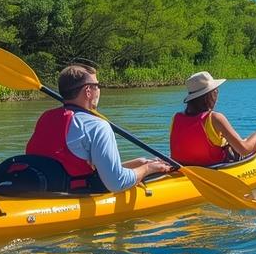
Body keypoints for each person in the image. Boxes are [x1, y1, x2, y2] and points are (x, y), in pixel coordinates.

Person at [26, 64, 171, 192]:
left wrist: (138, 163)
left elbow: (68, 166)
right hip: (71, 196)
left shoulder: (46, 117)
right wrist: (148, 169)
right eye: (97, 86)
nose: (99, 90)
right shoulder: (97, 126)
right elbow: (117, 183)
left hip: (42, 187)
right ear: (88, 91)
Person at [170, 71, 256, 166]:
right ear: (212, 94)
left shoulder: (176, 117)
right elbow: (243, 149)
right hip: (212, 170)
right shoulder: (215, 118)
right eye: (216, 90)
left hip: (184, 169)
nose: (217, 93)